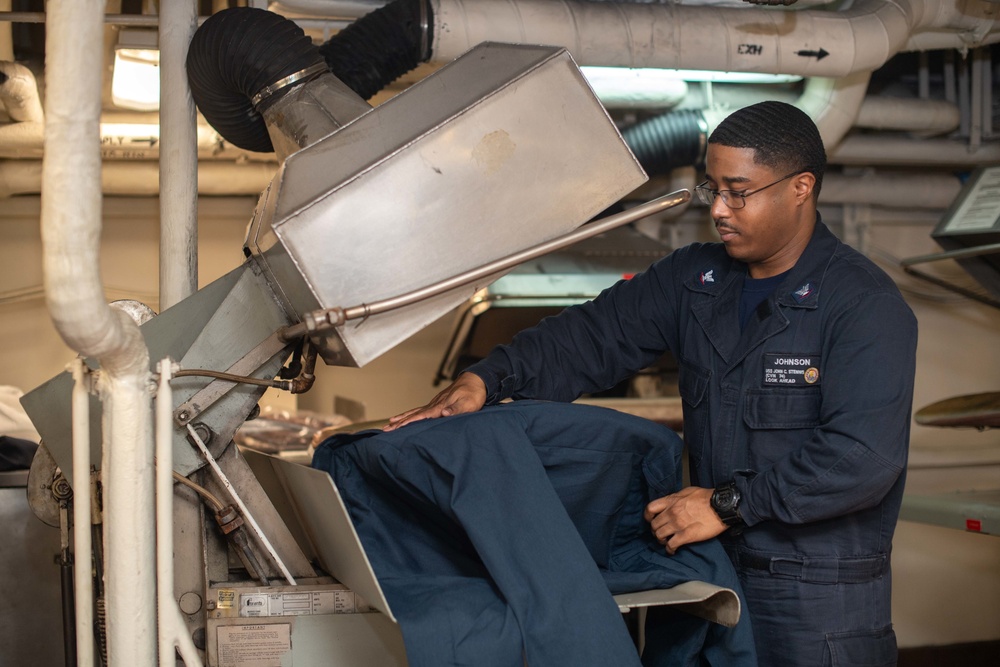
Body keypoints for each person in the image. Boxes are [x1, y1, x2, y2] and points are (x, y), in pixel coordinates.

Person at [387, 100, 918, 667]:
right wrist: (483, 380)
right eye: (711, 188)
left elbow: (861, 459)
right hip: (711, 578)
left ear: (800, 187)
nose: (718, 209)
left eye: (738, 191)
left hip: (816, 606)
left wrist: (728, 505)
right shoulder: (694, 279)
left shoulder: (863, 305)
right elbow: (589, 337)